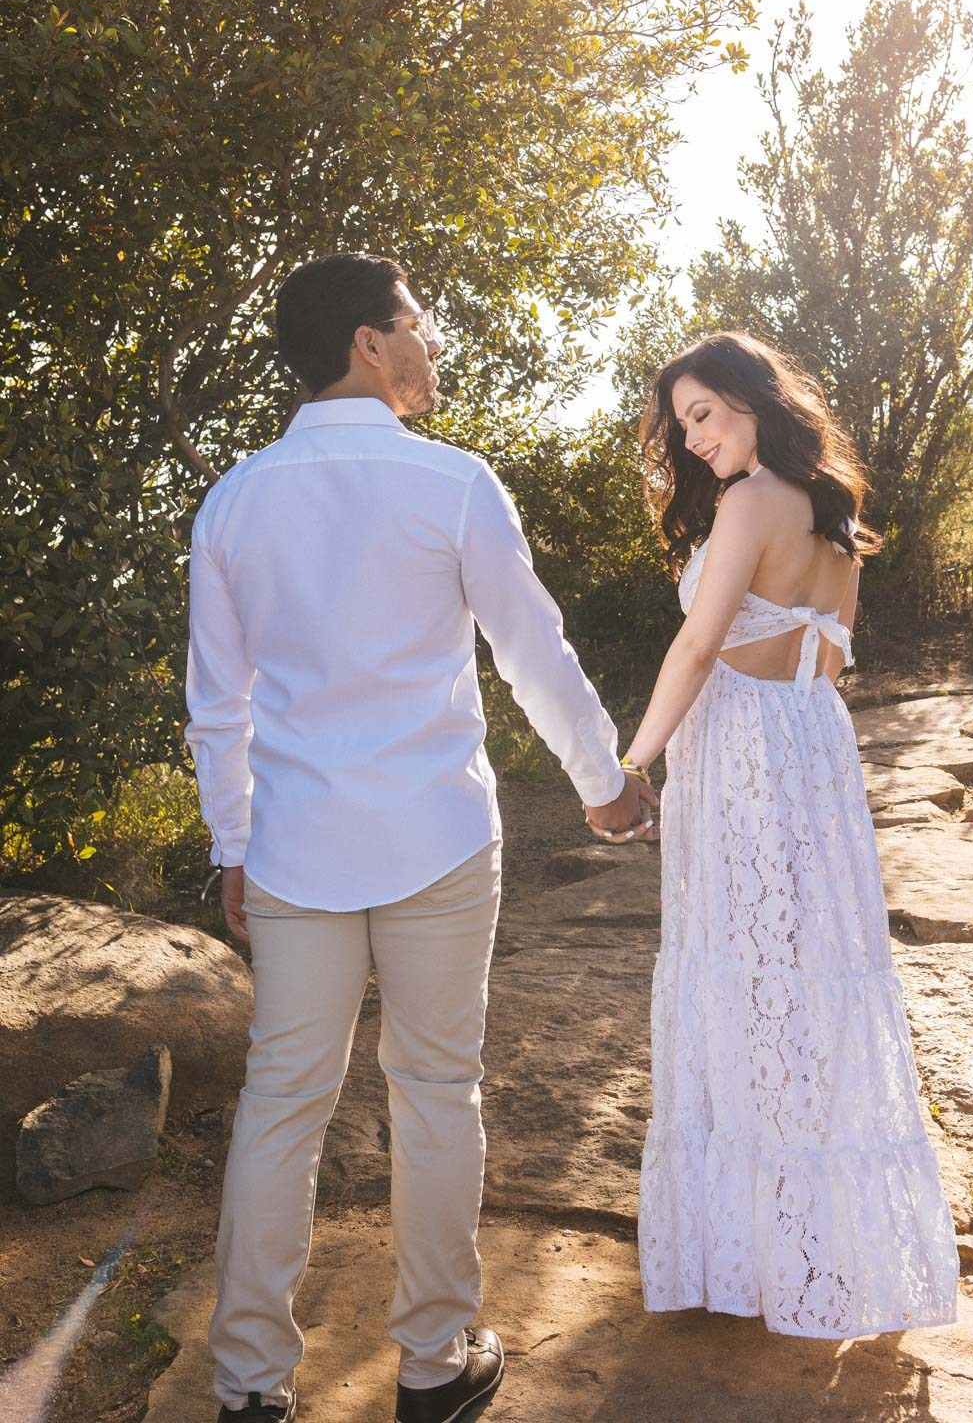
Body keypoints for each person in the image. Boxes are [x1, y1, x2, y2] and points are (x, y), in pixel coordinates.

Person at [185, 253, 654, 1423]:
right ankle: (437, 1364)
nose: (433, 345)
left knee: (282, 1099)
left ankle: (248, 1384)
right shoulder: (453, 484)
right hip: (440, 837)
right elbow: (530, 651)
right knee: (438, 1088)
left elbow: (216, 702)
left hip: (293, 848)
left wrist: (230, 844)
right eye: (419, 327)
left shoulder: (235, 498)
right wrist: (604, 782)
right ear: (367, 343)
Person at [612, 332, 960, 1337]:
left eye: (705, 414)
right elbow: (829, 656)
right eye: (683, 426)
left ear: (753, 399)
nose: (695, 438)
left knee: (752, 977)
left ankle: (769, 1253)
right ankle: (821, 1244)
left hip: (745, 757)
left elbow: (698, 642)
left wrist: (632, 763)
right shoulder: (832, 504)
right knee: (811, 984)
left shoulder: (752, 500)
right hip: (811, 743)